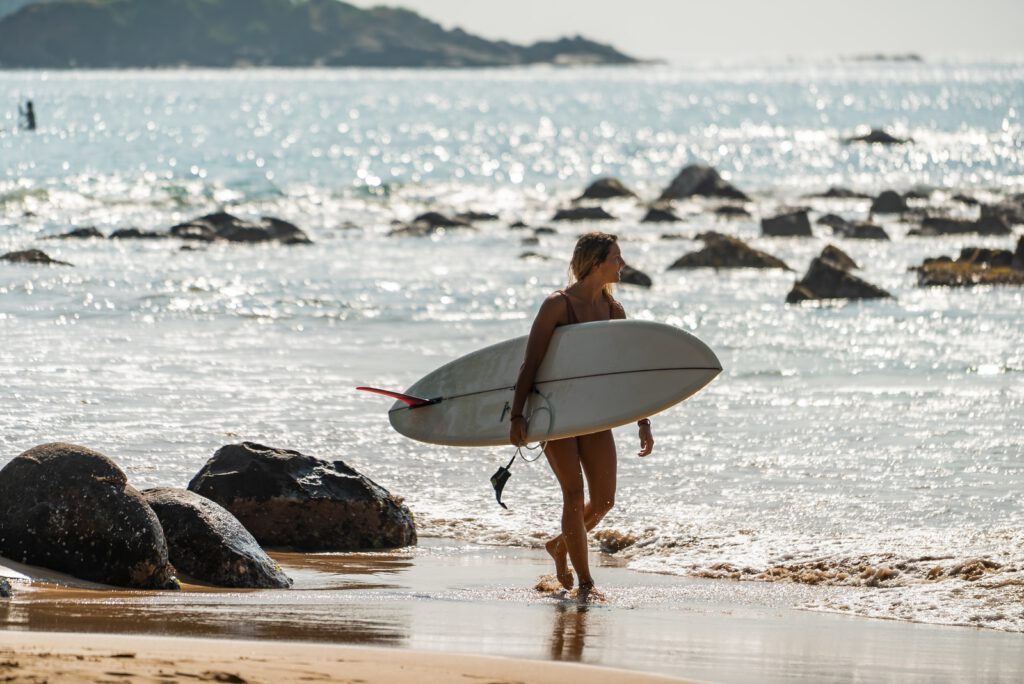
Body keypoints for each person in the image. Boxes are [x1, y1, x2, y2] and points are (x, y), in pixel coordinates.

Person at [509, 231, 654, 599]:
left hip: (592, 415)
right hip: (556, 413)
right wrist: (517, 416)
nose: (622, 264)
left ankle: (560, 545)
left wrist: (643, 421)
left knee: (604, 499)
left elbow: (628, 372)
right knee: (573, 495)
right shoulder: (557, 306)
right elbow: (531, 363)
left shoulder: (613, 311)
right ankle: (586, 583)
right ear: (595, 263)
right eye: (616, 258)